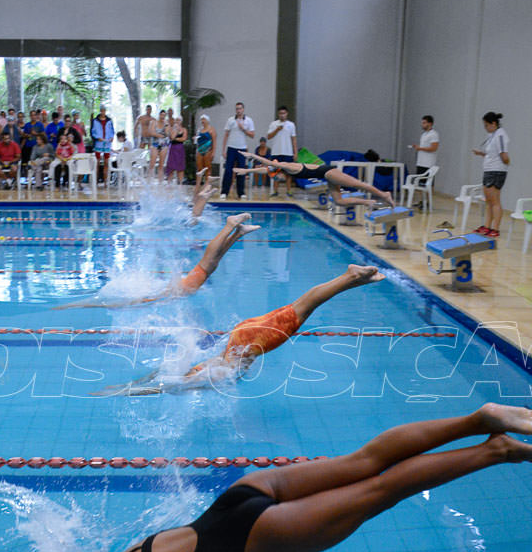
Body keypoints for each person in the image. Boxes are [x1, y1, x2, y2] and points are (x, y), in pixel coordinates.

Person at [3, 401, 532, 552]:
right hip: (237, 500)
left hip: (250, 540)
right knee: (364, 460)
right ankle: (476, 420)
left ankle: (493, 450)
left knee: (381, 491)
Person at [95, 264, 385, 396]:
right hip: (244, 333)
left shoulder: (205, 375)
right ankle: (353, 280)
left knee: (303, 309)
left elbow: (162, 385)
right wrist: (128, 387)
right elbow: (160, 379)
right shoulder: (207, 367)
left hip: (251, 337)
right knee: (300, 306)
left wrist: (124, 391)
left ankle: (350, 277)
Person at [54, 212, 258, 311]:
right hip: (186, 285)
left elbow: (124, 303)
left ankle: (229, 225)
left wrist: (81, 306)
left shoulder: (152, 297)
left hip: (187, 285)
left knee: (208, 262)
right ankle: (237, 233)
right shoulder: (156, 294)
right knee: (212, 264)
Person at [235, 152, 396, 208]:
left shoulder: (287, 165)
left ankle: (384, 194)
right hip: (326, 177)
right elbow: (265, 169)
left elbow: (268, 164)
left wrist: (252, 156)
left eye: (274, 174)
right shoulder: (284, 169)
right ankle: (369, 203)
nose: (275, 176)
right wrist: (246, 170)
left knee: (358, 185)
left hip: (328, 172)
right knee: (339, 201)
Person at [471, 111, 509, 238]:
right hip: (489, 170)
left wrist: (506, 163)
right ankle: (487, 226)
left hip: (496, 171)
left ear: (493, 123)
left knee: (495, 201)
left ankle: (495, 228)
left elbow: (504, 155)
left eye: (486, 125)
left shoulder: (500, 135)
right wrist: (481, 154)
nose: (486, 128)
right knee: (488, 201)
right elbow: (491, 153)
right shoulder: (492, 135)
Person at [220, 102, 256, 199]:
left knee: (241, 170)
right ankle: (224, 192)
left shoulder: (249, 120)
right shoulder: (230, 120)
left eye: (240, 108)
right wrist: (223, 150)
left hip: (242, 148)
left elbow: (252, 135)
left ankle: (241, 192)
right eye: (237, 109)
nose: (238, 110)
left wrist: (243, 129)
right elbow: (226, 135)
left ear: (243, 109)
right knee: (228, 170)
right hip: (231, 147)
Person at [267, 106, 298, 195]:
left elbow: (294, 139)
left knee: (288, 173)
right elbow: (269, 137)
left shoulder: (291, 125)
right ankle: (275, 191)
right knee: (275, 172)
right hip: (276, 152)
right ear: (278, 114)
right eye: (280, 113)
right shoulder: (273, 124)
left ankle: (288, 190)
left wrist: (295, 152)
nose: (282, 115)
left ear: (287, 114)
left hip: (288, 152)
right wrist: (277, 129)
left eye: (284, 113)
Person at [91, 106, 115, 184]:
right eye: (101, 110)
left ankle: (105, 181)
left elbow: (112, 131)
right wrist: (97, 138)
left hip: (107, 144)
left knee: (106, 162)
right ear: (100, 111)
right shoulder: (95, 121)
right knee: (97, 163)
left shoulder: (109, 121)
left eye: (104, 110)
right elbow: (93, 132)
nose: (103, 112)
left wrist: (111, 137)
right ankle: (96, 181)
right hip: (99, 143)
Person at [164, 117, 188, 184]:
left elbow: (184, 138)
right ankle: (169, 183)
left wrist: (176, 139)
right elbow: (172, 137)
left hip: (180, 148)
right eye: (176, 120)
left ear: (181, 121)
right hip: (173, 148)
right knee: (171, 165)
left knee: (180, 166)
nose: (177, 121)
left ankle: (180, 183)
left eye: (179, 120)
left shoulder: (184, 129)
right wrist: (176, 130)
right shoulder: (172, 129)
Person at [194, 114, 216, 180]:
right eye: (201, 119)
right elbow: (197, 138)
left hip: (208, 150)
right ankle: (199, 182)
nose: (202, 121)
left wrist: (213, 152)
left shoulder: (211, 129)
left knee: (207, 167)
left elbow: (214, 141)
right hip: (200, 149)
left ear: (207, 121)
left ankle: (207, 183)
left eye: (204, 119)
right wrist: (195, 138)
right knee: (199, 167)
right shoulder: (200, 129)